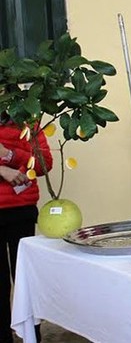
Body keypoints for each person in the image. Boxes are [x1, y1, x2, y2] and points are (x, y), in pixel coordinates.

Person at [0, 113, 52, 343]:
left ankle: (32, 337)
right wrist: (3, 170)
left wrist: (8, 155)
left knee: (24, 282)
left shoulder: (29, 120)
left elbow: (44, 164)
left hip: (21, 209)